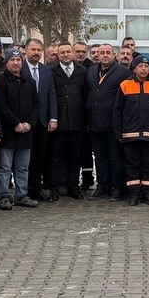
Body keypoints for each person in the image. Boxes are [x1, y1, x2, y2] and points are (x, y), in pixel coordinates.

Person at [116, 55, 149, 204]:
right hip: (130, 134)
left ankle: (148, 194)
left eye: (146, 66)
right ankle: (133, 195)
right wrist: (118, 131)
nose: (143, 69)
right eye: (140, 66)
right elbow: (118, 110)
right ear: (134, 68)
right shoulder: (125, 85)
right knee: (132, 165)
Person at [0, 49, 40, 209]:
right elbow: (1, 106)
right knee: (5, 167)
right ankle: (4, 196)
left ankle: (22, 195)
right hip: (8, 132)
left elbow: (36, 104)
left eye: (18, 60)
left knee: (22, 167)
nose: (15, 63)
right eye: (12, 60)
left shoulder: (30, 81)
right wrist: (15, 123)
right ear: (6, 62)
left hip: (26, 132)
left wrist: (29, 123)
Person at [86, 43, 130, 199]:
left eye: (108, 52)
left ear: (114, 55)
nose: (104, 55)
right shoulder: (91, 71)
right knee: (100, 158)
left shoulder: (123, 72)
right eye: (102, 52)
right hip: (95, 123)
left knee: (116, 158)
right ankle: (102, 186)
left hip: (113, 124)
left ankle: (117, 187)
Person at [49, 42, 88, 199]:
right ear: (58, 55)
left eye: (68, 51)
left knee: (75, 157)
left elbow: (86, 94)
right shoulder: (51, 71)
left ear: (72, 53)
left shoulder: (83, 71)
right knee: (56, 157)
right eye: (62, 52)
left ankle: (74, 187)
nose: (65, 54)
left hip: (77, 121)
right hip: (57, 122)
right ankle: (54, 188)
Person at [23, 38, 58, 200]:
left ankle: (36, 189)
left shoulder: (46, 71)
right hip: (25, 122)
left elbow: (52, 94)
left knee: (39, 157)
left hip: (43, 121)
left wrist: (53, 118)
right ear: (26, 51)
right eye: (33, 49)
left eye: (39, 50)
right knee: (24, 158)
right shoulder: (19, 68)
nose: (36, 53)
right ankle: (23, 190)